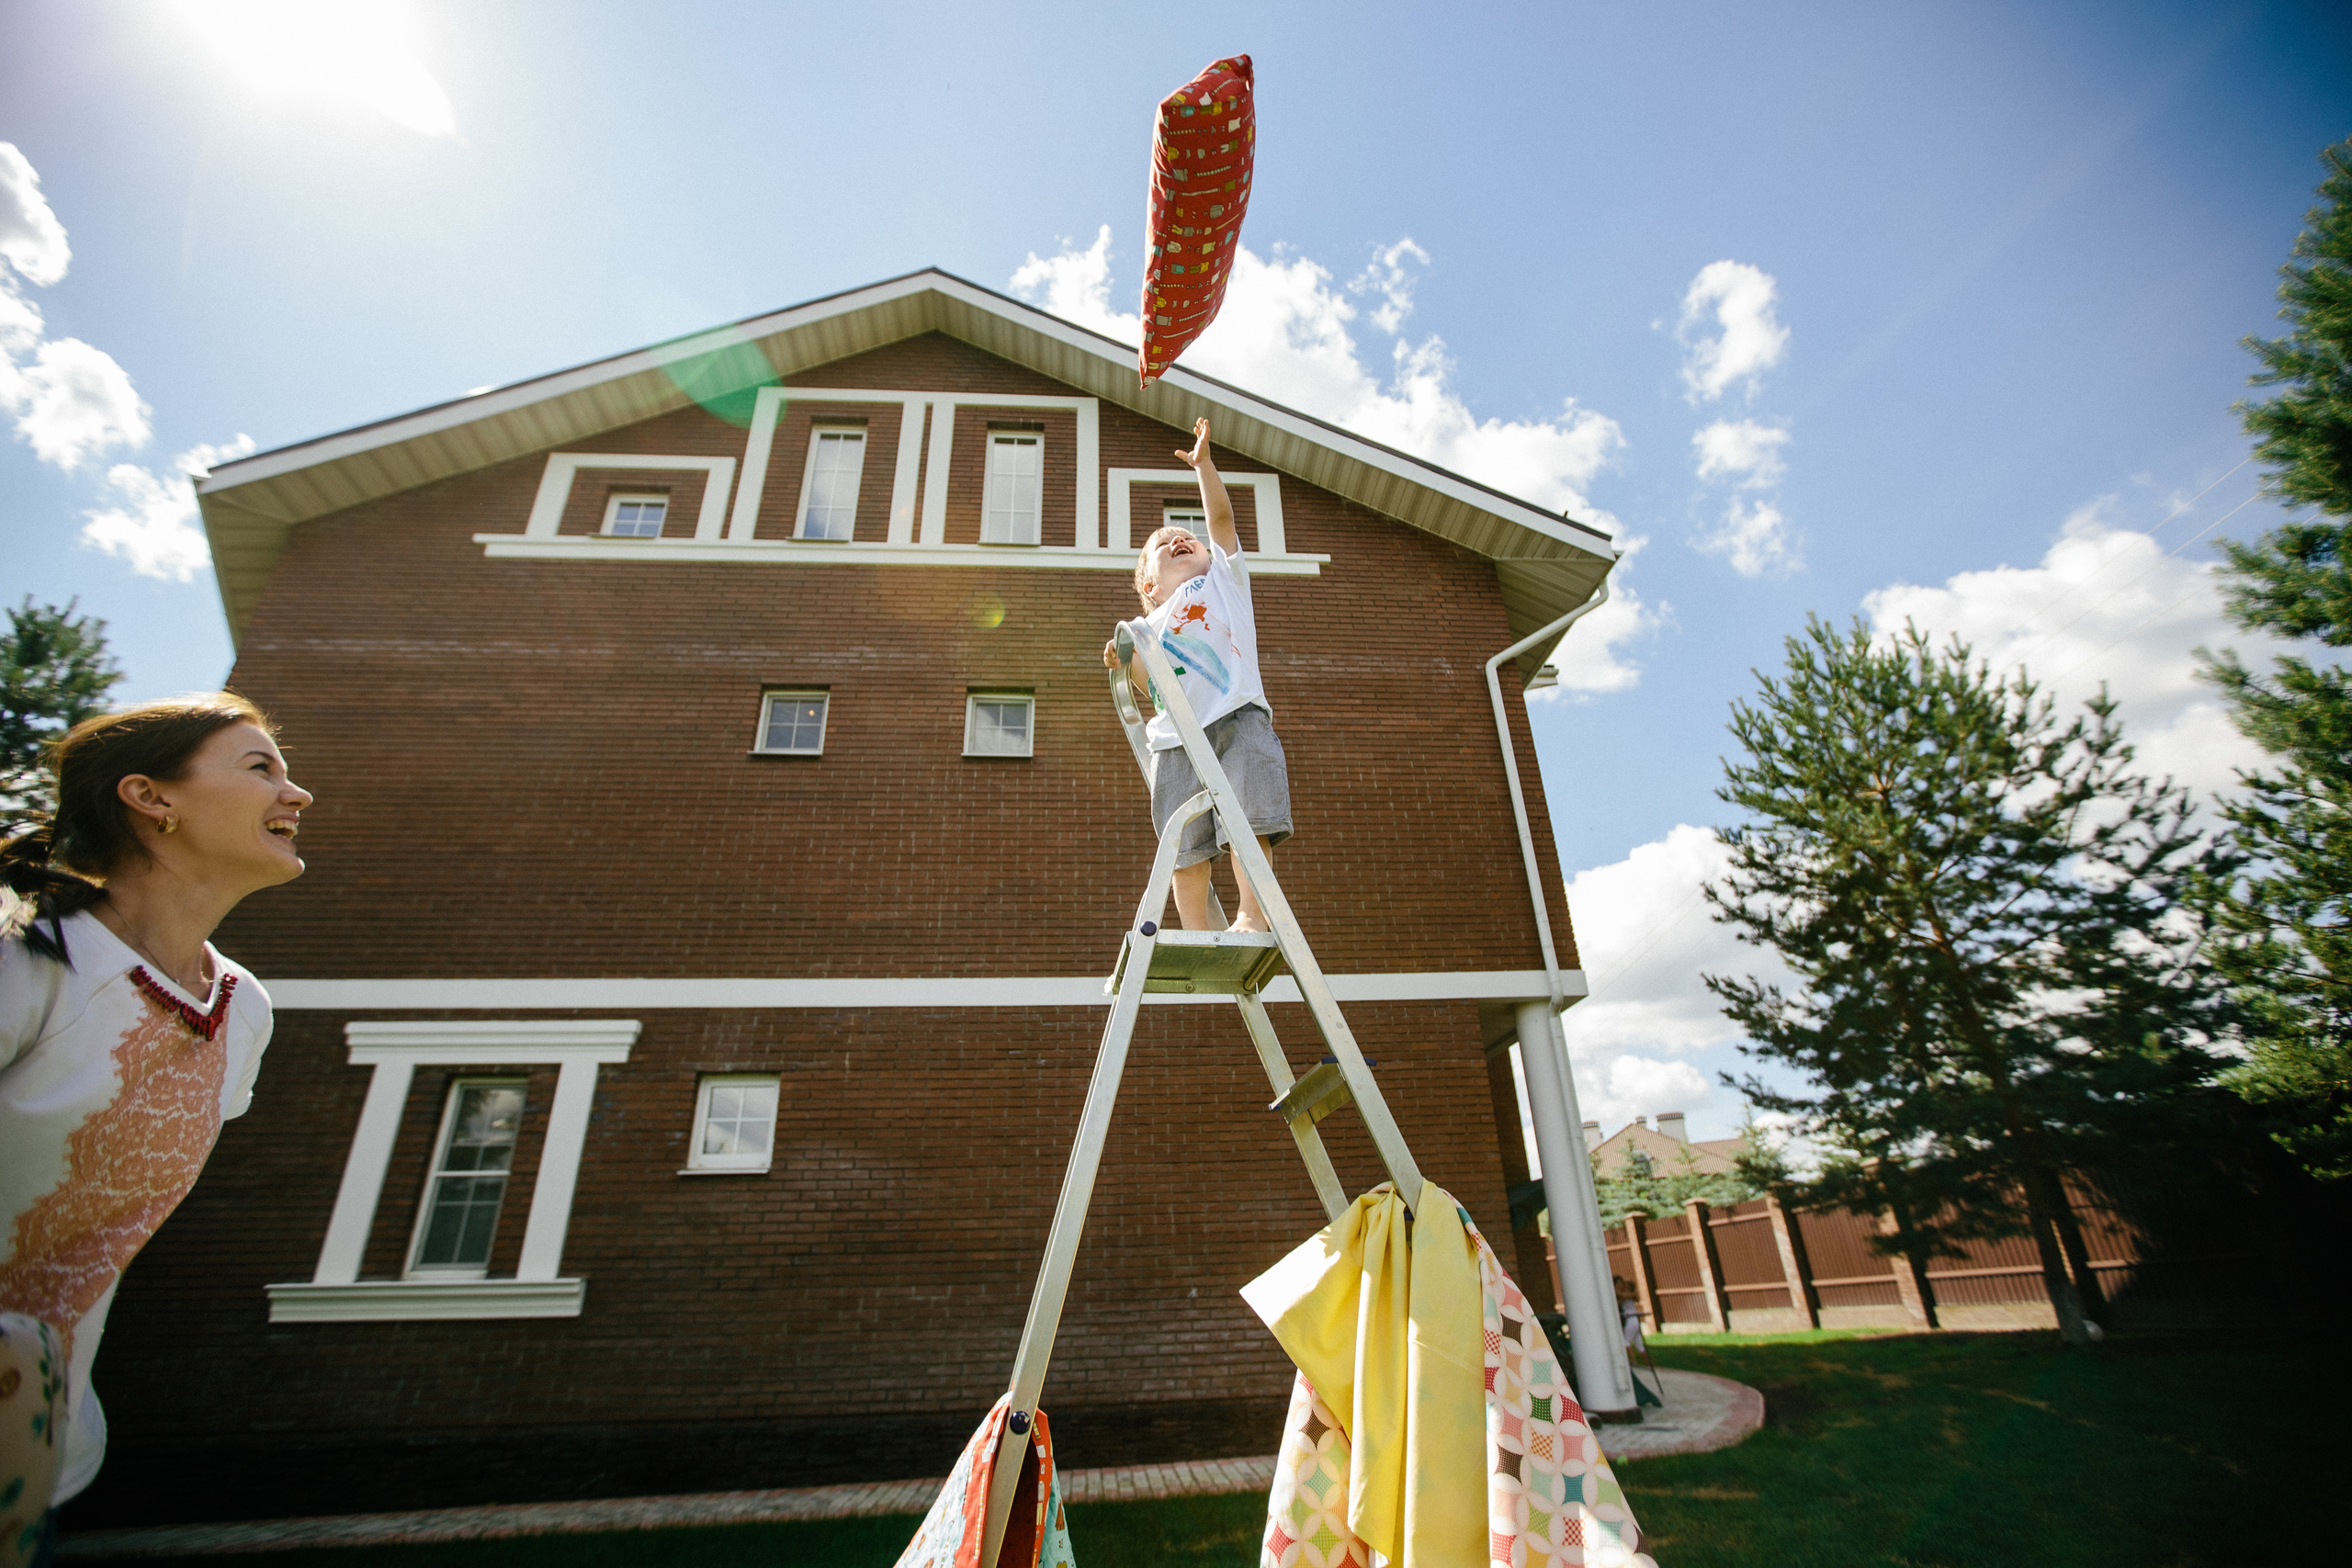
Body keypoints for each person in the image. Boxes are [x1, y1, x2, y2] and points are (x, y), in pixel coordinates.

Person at [0, 694, 310, 1531]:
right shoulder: (25, 960)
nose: (297, 794)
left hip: (46, 1460)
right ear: (151, 797)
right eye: (261, 768)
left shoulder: (243, 1010)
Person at [1104, 417, 1293, 932]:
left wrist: (1204, 466)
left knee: (1248, 823)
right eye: (1165, 545)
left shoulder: (1222, 583)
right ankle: (1198, 932)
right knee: (1184, 848)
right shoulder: (1146, 626)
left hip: (1237, 719)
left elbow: (1222, 521)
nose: (1180, 539)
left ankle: (1251, 915)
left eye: (1188, 536)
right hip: (1177, 742)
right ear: (1150, 584)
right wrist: (1124, 659)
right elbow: (1155, 688)